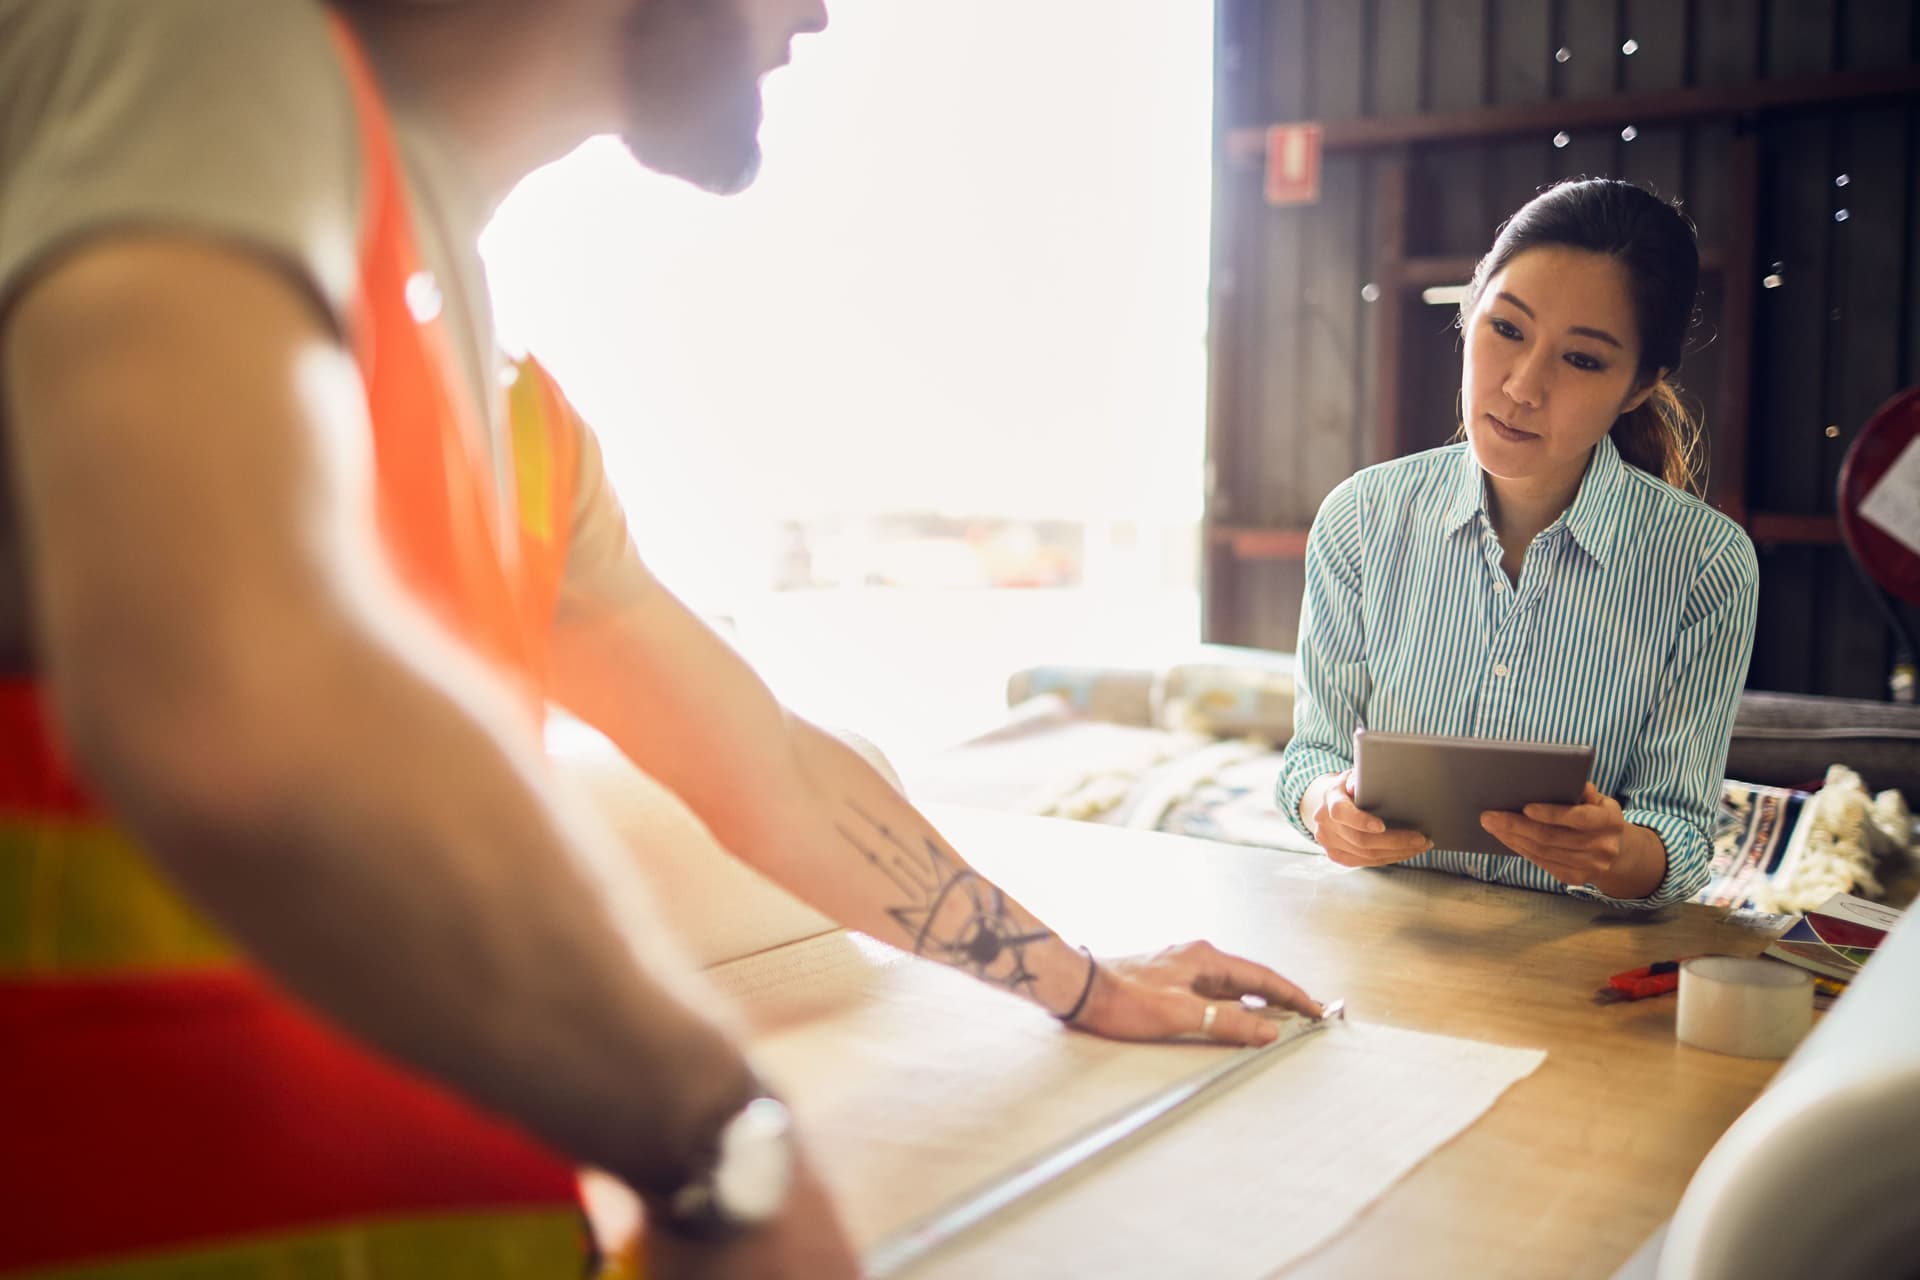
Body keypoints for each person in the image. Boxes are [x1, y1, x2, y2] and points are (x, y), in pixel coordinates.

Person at [0, 1, 1323, 1276]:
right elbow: (240, 696)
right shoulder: (186, 39)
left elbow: (772, 773)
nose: (820, 12)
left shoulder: (511, 407)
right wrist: (715, 1135)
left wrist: (1082, 982)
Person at [1276, 178, 1758, 913]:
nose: (1524, 387)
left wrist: (1616, 852)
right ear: (1469, 314)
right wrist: (1325, 807)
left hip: (1573, 953)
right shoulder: (1361, 518)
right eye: (1506, 328)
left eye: (1582, 360)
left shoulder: (1705, 566)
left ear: (1639, 386)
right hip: (1385, 933)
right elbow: (1312, 755)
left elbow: (1683, 832)